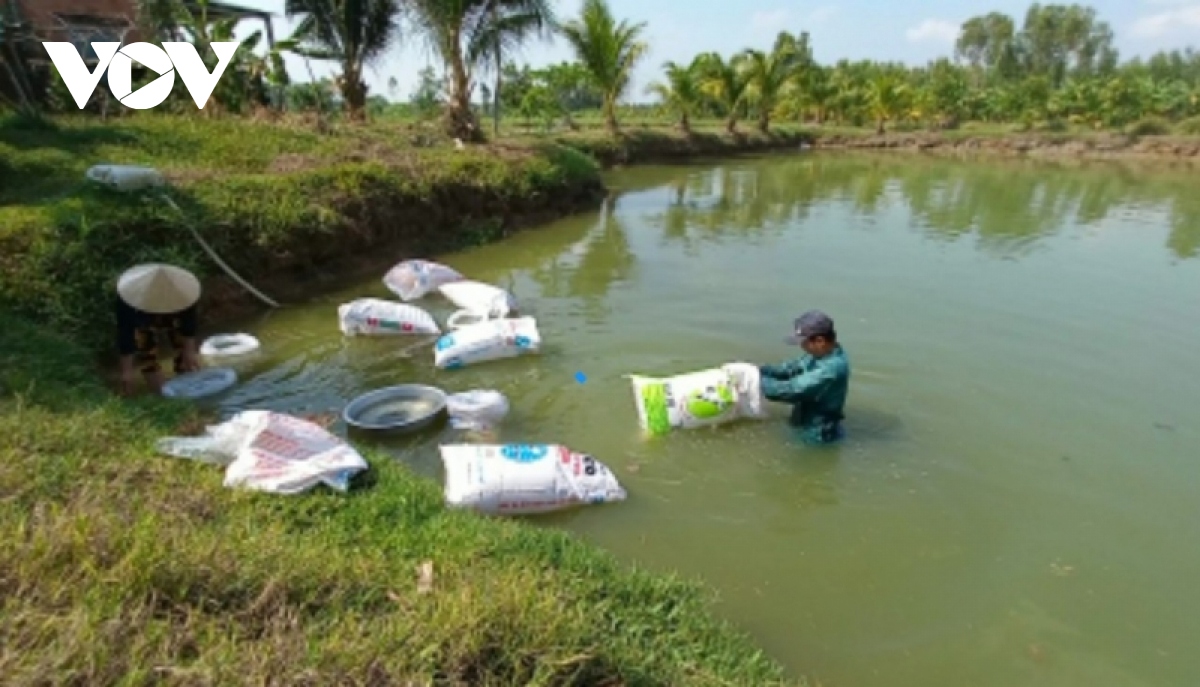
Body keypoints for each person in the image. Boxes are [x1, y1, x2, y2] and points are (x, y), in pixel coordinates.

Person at [759, 310, 851, 445]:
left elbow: (792, 390)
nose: (801, 346)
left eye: (804, 342)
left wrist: (753, 381)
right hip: (804, 417)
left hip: (817, 432)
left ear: (820, 341)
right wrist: (756, 370)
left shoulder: (831, 369)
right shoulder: (820, 354)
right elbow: (790, 369)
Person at [115, 263, 203, 395]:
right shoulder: (129, 300)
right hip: (143, 317)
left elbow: (188, 324)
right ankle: (162, 396)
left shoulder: (184, 293)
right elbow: (126, 333)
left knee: (185, 356)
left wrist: (189, 351)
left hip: (175, 316)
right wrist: (127, 372)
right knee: (146, 354)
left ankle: (191, 390)